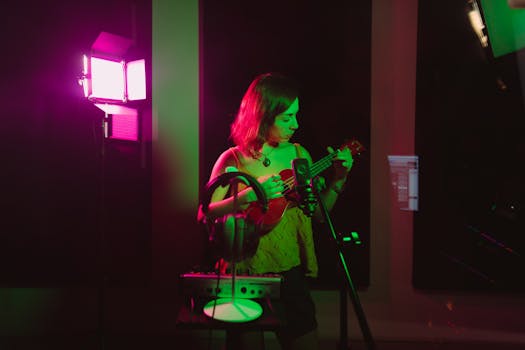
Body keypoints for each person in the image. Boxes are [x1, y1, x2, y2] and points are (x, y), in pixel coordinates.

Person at [198, 72, 353, 349]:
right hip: (245, 272)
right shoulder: (232, 158)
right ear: (262, 116)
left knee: (305, 338)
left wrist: (338, 180)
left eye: (296, 115)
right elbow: (205, 213)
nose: (295, 124)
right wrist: (248, 194)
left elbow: (318, 214)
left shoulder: (298, 154)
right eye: (286, 118)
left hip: (288, 272)